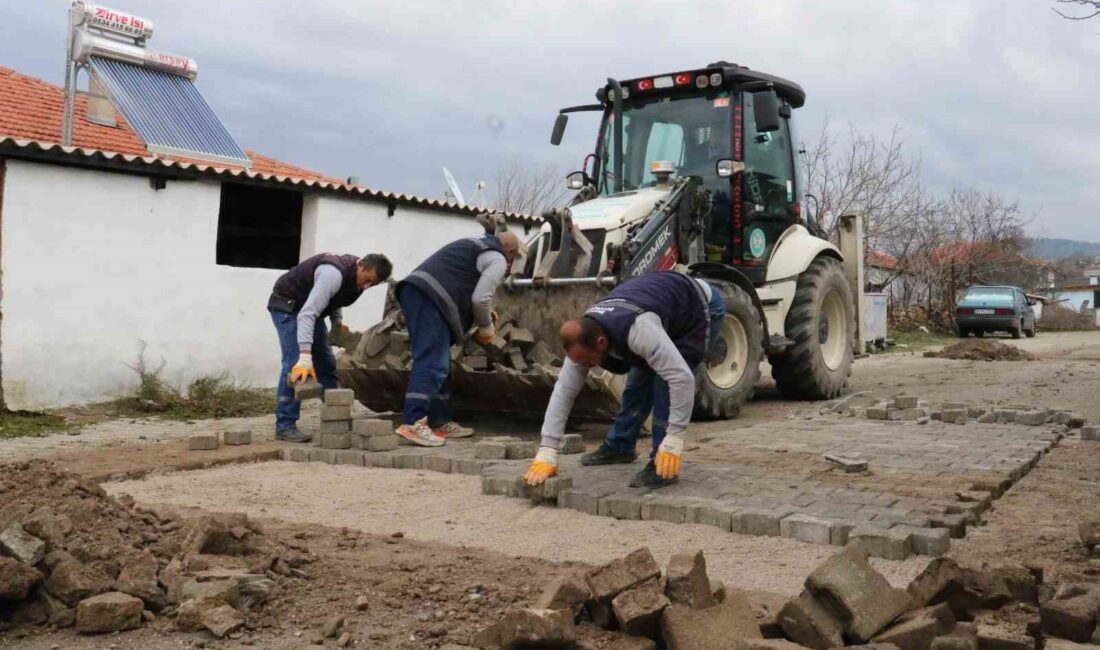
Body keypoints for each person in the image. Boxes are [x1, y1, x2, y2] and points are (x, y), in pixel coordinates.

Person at [524, 271, 726, 488]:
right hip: (659, 308)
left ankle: (662, 462)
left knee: (664, 383)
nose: (583, 367)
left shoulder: (638, 330)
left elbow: (681, 378)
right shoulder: (583, 337)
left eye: (585, 361)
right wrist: (547, 450)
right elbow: (564, 391)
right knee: (637, 382)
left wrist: (675, 438)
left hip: (699, 307)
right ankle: (620, 447)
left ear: (601, 343)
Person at [394, 231, 525, 446]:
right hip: (430, 298)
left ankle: (439, 420)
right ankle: (412, 422)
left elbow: (464, 283)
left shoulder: (473, 245)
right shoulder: (498, 257)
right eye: (512, 259)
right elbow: (481, 297)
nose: (509, 265)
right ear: (509, 250)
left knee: (440, 361)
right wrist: (485, 326)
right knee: (431, 362)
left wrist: (482, 311)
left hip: (418, 292)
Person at [270, 253, 393, 442]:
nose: (367, 286)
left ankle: (337, 417)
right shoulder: (332, 274)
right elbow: (307, 314)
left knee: (326, 363)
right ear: (360, 266)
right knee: (295, 363)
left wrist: (337, 323)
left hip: (310, 310)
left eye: (373, 284)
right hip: (289, 305)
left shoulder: (359, 280)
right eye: (367, 280)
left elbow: (336, 298)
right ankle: (285, 425)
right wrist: (305, 355)